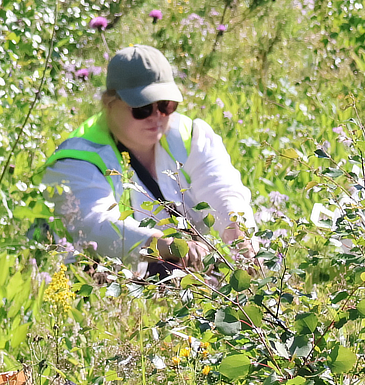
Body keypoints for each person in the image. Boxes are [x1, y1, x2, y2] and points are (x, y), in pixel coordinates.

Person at [44, 44, 255, 273]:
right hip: (105, 276)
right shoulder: (78, 158)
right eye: (142, 108)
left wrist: (242, 241)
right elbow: (95, 225)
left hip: (181, 266)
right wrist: (167, 246)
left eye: (165, 105)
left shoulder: (190, 135)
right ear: (109, 104)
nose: (156, 117)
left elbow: (222, 188)